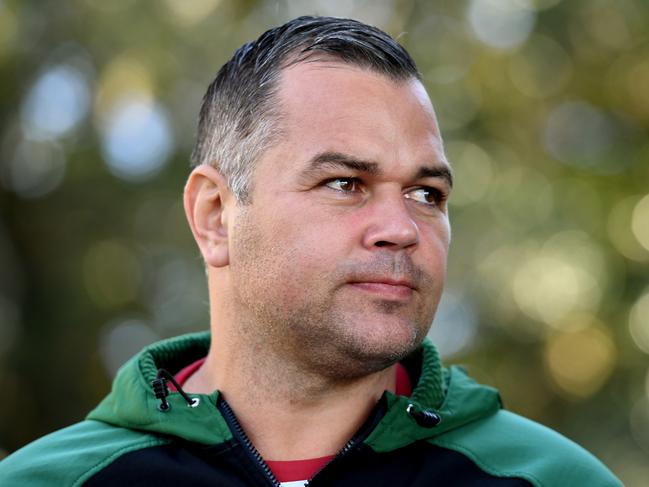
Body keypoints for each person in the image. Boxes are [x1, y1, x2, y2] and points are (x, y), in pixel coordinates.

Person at [0, 16, 621, 487]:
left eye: (427, 193)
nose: (402, 228)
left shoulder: (549, 478)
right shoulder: (49, 481)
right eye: (345, 184)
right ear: (216, 217)